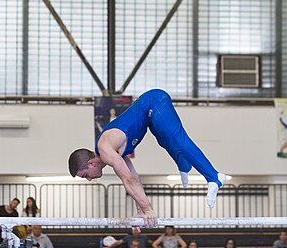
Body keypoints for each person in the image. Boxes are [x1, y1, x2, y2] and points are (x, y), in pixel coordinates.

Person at [68, 89, 227, 222]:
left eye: (85, 175)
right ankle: (184, 165)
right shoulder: (112, 152)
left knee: (178, 140)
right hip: (150, 114)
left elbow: (128, 180)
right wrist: (141, 211)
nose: (89, 179)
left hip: (153, 102)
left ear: (91, 164)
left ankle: (214, 177)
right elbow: (134, 178)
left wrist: (148, 209)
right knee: (165, 140)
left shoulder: (105, 149)